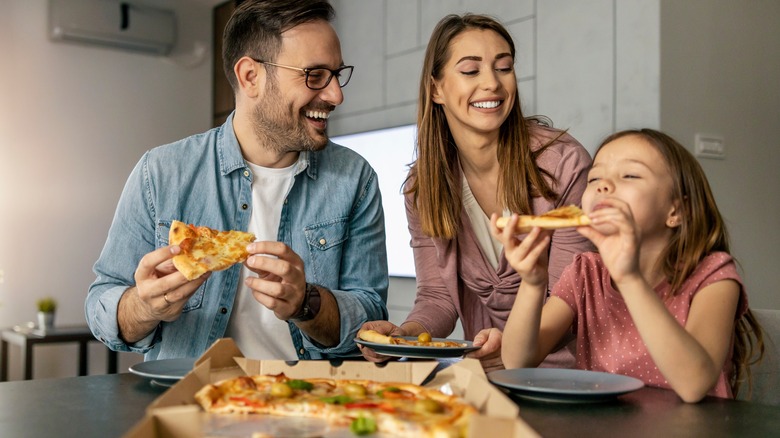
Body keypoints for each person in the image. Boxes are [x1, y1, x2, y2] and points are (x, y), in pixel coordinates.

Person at [85, 0, 388, 362]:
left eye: (338, 74)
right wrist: (145, 306)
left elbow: (372, 320)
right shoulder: (161, 172)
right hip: (191, 402)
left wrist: (307, 303)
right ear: (250, 76)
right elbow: (102, 308)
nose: (336, 94)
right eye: (315, 75)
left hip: (309, 405)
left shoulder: (356, 179)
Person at [358, 13, 593, 372]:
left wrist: (514, 346)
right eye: (471, 71)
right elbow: (438, 298)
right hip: (486, 376)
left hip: (570, 378)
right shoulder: (423, 189)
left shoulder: (563, 164)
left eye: (504, 67)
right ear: (436, 88)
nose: (492, 84)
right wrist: (404, 337)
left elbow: (571, 298)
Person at [496, 129, 765, 402]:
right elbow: (518, 361)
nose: (603, 185)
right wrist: (532, 283)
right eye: (594, 178)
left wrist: (629, 279)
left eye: (630, 175)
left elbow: (694, 384)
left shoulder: (713, 276)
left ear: (676, 211)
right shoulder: (586, 273)